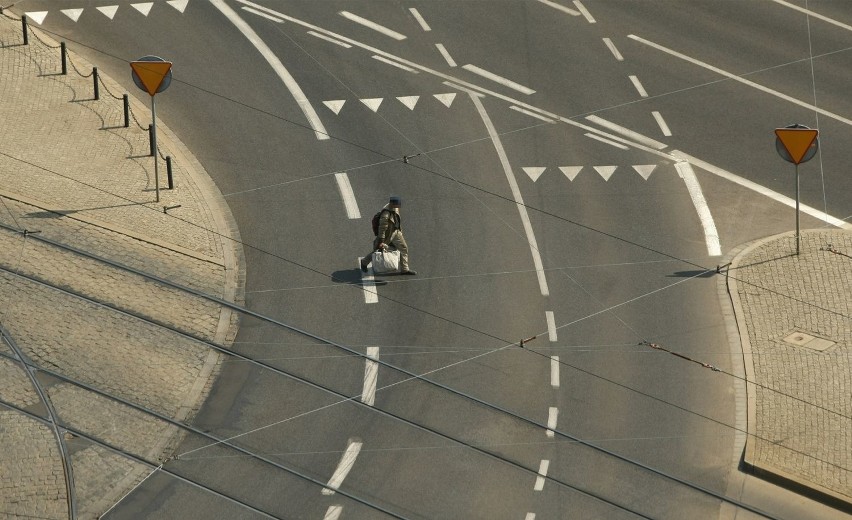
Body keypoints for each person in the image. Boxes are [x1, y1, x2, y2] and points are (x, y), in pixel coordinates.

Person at [361, 196, 416, 275]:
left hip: (396, 232)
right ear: (392, 204)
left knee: (403, 248)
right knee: (378, 251)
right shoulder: (385, 215)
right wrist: (381, 240)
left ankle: (405, 269)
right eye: (397, 205)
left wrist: (399, 231)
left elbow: (397, 219)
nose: (398, 207)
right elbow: (382, 228)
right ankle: (364, 262)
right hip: (387, 235)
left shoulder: (394, 208)